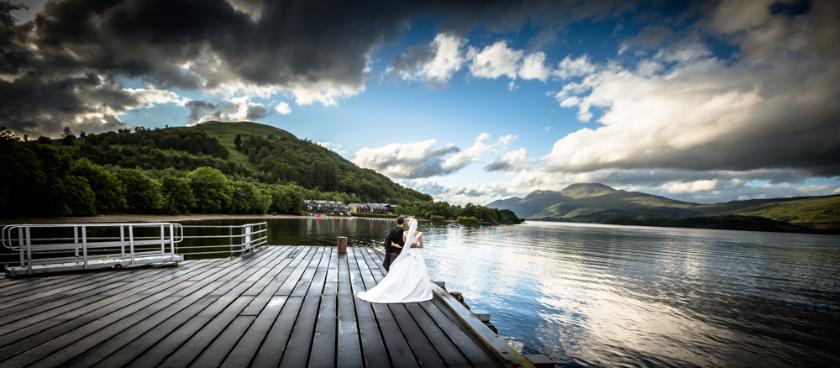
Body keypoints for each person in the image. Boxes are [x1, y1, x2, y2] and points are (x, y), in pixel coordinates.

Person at [357, 217, 432, 303]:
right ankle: (416, 290)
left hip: (408, 254)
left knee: (404, 271)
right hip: (416, 255)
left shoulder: (405, 233)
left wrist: (407, 245)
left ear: (408, 225)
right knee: (417, 272)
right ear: (416, 225)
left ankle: (404, 288)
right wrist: (416, 245)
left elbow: (405, 245)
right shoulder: (420, 234)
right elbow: (422, 246)